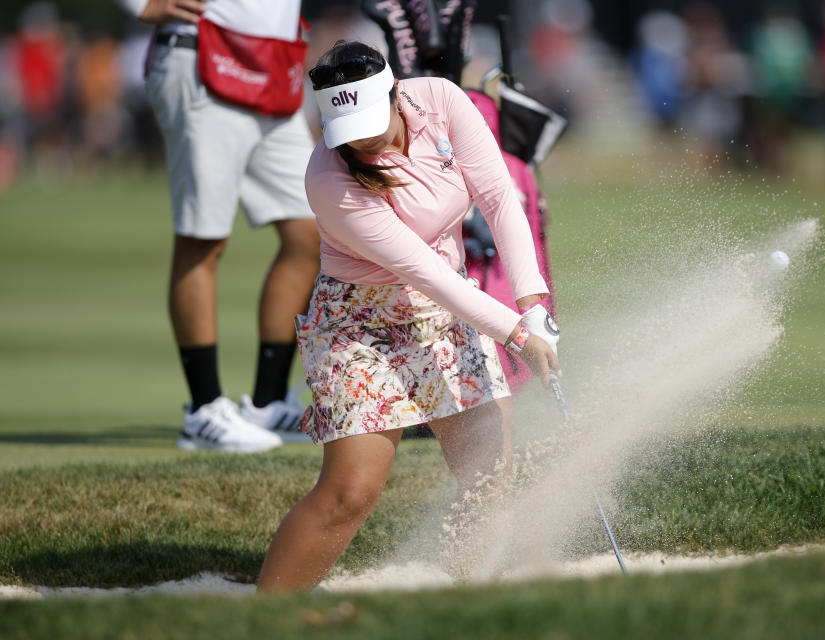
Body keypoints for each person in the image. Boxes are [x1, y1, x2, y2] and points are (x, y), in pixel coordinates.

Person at [256, 40, 560, 593]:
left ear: (397, 94)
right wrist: (515, 333)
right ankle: (268, 617)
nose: (363, 141)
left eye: (370, 121)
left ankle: (474, 598)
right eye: (347, 128)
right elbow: (424, 271)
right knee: (352, 491)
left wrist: (533, 305)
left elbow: (498, 199)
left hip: (447, 317)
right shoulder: (328, 178)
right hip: (359, 330)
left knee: (488, 476)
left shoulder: (442, 100)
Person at [117, 0, 323, 451]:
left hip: (272, 64)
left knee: (312, 233)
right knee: (204, 239)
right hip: (201, 56)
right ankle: (204, 410)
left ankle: (268, 402)